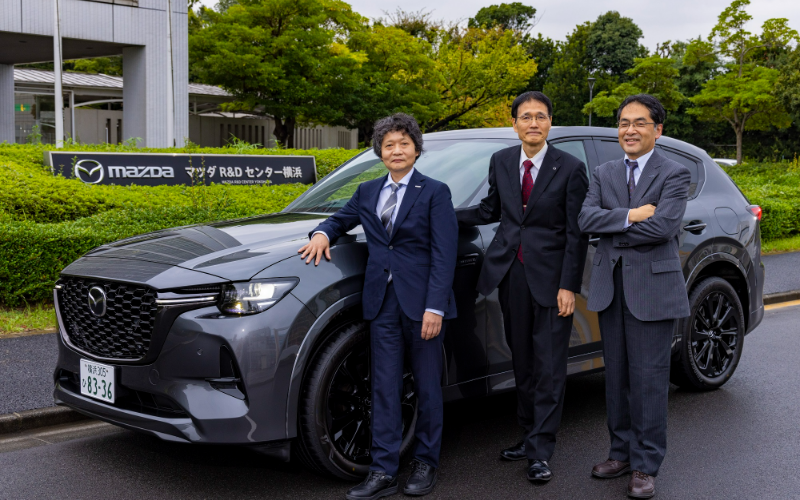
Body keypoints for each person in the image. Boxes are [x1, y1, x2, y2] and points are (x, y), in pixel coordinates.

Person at [299, 113, 458, 500]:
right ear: (380, 152)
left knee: (426, 386)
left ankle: (425, 463)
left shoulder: (435, 192)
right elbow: (339, 220)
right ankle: (383, 470)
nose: (397, 150)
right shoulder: (368, 191)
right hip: (381, 304)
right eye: (389, 145)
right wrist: (321, 234)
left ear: (416, 150)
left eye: (404, 143)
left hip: (422, 305)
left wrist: (435, 307)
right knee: (384, 387)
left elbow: (444, 253)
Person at [457, 91, 589, 483]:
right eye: (526, 116)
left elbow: (576, 233)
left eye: (541, 116)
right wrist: (438, 215)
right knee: (523, 362)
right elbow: (490, 210)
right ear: (513, 122)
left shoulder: (570, 167)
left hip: (552, 281)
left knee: (549, 367)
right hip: (512, 275)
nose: (533, 123)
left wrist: (569, 285)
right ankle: (528, 434)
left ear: (550, 122)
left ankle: (540, 450)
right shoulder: (500, 161)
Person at [578, 94, 691, 499]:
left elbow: (662, 229)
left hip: (653, 290)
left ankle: (646, 465)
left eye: (639, 123)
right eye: (624, 123)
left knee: (649, 381)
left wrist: (613, 227)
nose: (629, 130)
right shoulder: (604, 171)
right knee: (618, 379)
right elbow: (584, 218)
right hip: (612, 288)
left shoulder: (674, 173)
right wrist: (631, 215)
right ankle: (620, 453)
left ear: (657, 130)